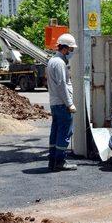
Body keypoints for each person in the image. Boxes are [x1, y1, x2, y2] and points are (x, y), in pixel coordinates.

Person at [46, 33, 78, 171]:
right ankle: (60, 161)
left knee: (56, 131)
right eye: (71, 49)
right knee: (64, 132)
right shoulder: (59, 63)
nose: (72, 52)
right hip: (62, 104)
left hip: (55, 103)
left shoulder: (52, 61)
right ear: (65, 48)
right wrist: (69, 103)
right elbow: (61, 85)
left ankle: (53, 160)